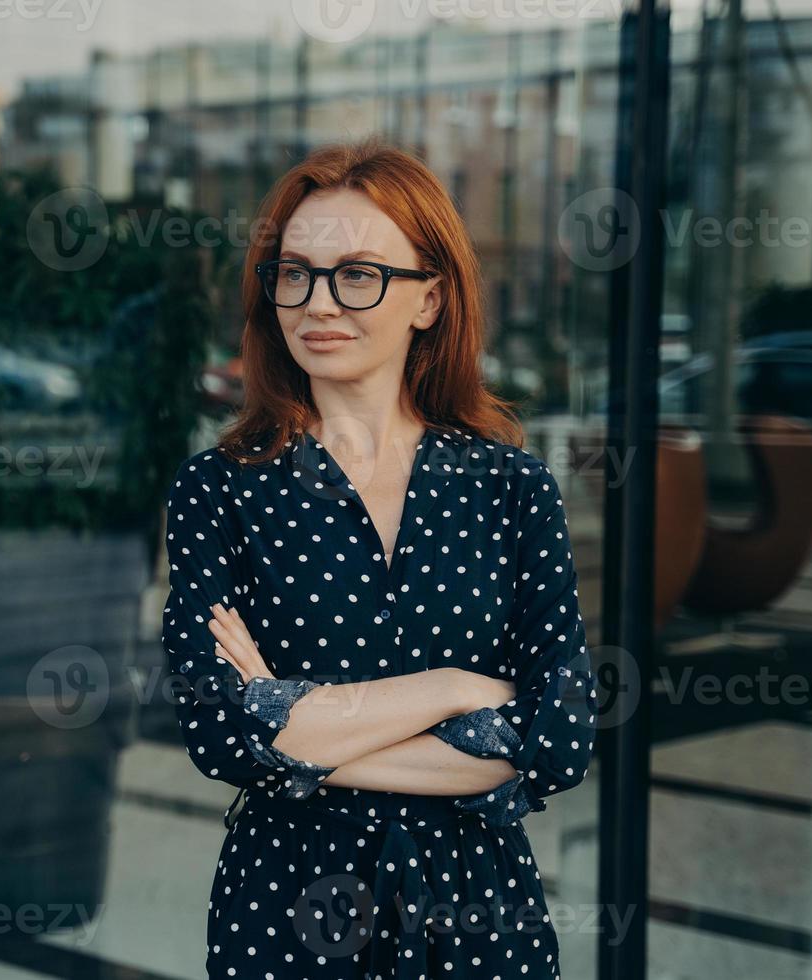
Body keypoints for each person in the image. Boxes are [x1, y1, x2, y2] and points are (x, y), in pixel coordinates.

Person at [161, 138, 598, 979]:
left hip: (480, 912)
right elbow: (220, 733)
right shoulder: (220, 490)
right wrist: (459, 693)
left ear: (429, 298)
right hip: (286, 910)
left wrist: (293, 726)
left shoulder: (511, 487)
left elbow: (556, 739)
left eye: (358, 274)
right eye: (295, 272)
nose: (318, 302)